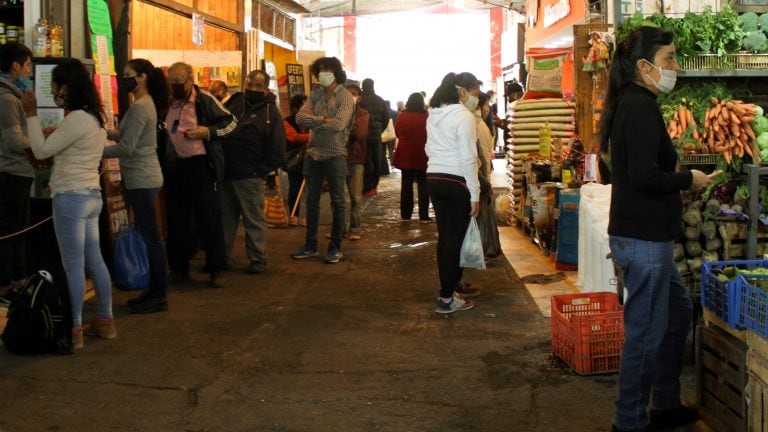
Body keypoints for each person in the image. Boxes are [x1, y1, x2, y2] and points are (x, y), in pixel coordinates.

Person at [600, 26, 718, 432]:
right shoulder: (639, 106)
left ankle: (664, 403)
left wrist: (679, 175)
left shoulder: (634, 103)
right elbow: (644, 177)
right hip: (643, 238)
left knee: (678, 312)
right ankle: (628, 420)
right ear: (644, 65)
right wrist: (689, 180)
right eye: (669, 59)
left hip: (651, 237)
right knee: (646, 333)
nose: (676, 66)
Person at [27, 58, 115, 349]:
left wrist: (30, 115)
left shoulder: (76, 118)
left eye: (55, 83)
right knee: (95, 260)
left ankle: (74, 329)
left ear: (65, 86)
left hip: (70, 197)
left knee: (73, 265)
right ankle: (106, 320)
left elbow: (40, 150)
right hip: (91, 196)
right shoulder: (94, 116)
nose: (52, 89)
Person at [104, 58, 170, 314]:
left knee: (151, 238)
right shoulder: (141, 105)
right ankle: (153, 291)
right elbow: (125, 136)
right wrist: (103, 131)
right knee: (149, 236)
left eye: (128, 74)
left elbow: (126, 147)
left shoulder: (142, 106)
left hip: (143, 178)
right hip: (141, 177)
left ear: (142, 77)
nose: (124, 79)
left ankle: (158, 293)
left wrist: (93, 151)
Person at [161, 62, 236, 288]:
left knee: (209, 220)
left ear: (190, 80)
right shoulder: (166, 102)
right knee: (177, 222)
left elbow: (232, 122)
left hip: (202, 167)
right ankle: (179, 269)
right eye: (171, 82)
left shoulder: (204, 100)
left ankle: (216, 269)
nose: (174, 87)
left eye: (178, 82)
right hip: (175, 168)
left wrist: (208, 132)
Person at [219, 69, 285, 274]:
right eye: (250, 84)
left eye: (258, 85)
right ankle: (222, 258)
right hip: (226, 173)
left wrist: (261, 171)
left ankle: (258, 259)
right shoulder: (234, 103)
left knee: (254, 219)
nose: (252, 88)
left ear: (265, 89)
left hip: (250, 176)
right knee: (225, 219)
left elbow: (278, 146)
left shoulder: (270, 113)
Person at [427, 72, 481, 314]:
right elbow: (468, 156)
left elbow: (429, 148)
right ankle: (447, 297)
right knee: (453, 241)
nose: (474, 98)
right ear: (462, 91)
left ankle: (449, 291)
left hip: (434, 179)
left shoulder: (434, 114)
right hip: (456, 180)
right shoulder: (463, 116)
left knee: (445, 239)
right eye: (473, 93)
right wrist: (475, 193)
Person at [291, 56, 354, 263]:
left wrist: (315, 123)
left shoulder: (345, 96)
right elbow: (299, 118)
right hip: (313, 154)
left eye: (326, 70)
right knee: (311, 202)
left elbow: (339, 125)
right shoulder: (315, 94)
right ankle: (310, 245)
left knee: (338, 201)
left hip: (335, 154)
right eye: (319, 71)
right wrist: (323, 120)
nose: (322, 74)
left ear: (335, 72)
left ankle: (335, 246)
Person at [0, 42, 35, 298]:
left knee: (15, 230)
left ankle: (16, 279)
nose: (29, 72)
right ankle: (9, 283)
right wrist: (41, 146)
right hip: (11, 174)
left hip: (14, 173)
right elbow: (13, 141)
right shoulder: (8, 99)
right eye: (27, 66)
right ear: (15, 66)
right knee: (12, 231)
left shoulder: (11, 96)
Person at [393, 92, 430, 222]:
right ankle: (424, 216)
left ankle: (406, 215)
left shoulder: (402, 116)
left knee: (406, 184)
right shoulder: (426, 116)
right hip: (422, 153)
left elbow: (397, 132)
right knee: (423, 184)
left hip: (405, 153)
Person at [344, 84, 369, 240]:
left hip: (355, 158)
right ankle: (338, 229)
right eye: (348, 94)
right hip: (338, 158)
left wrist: (340, 127)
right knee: (338, 197)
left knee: (355, 196)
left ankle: (355, 228)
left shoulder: (362, 113)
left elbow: (358, 133)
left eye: (354, 94)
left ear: (359, 97)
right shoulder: (337, 111)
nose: (351, 96)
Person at [360, 78, 389, 196]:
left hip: (363, 137)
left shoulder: (359, 100)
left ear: (363, 86)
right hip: (376, 137)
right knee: (377, 161)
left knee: (365, 162)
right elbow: (386, 119)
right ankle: (374, 186)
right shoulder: (380, 100)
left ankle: (367, 187)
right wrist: (379, 131)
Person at [283, 94, 309, 226]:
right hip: (295, 160)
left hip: (311, 158)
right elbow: (293, 137)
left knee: (311, 188)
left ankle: (308, 216)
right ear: (294, 108)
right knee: (295, 187)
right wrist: (311, 137)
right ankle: (294, 215)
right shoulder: (287, 121)